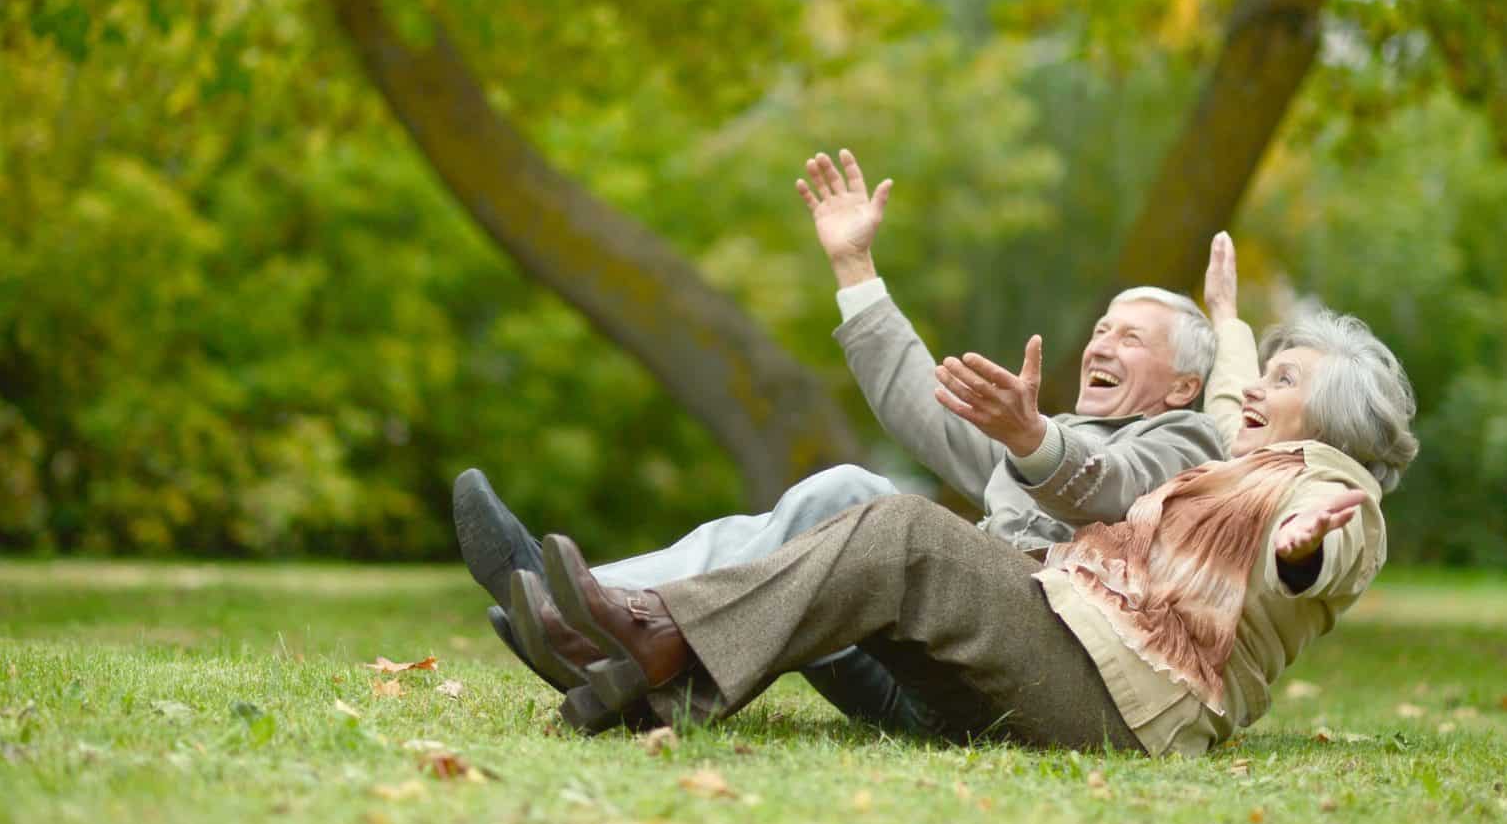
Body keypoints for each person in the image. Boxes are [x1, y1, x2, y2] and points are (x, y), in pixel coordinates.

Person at [510, 233, 1419, 756]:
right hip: (1064, 651)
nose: (1256, 386)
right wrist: (1229, 323)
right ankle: (634, 662)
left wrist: (1301, 548)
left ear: (1327, 423)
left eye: (1283, 376)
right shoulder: (1235, 450)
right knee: (854, 514)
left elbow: (1318, 550)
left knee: (904, 530)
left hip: (1123, 692)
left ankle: (648, 638)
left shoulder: (1326, 491)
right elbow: (1228, 392)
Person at [454, 148, 1225, 731]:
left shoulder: (1189, 446)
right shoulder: (1035, 448)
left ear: (1183, 383)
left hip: (993, 679)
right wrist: (854, 264)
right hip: (919, 658)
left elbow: (1117, 484)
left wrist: (1035, 437)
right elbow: (919, 408)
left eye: (1131, 338)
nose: (1100, 344)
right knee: (836, 496)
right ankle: (583, 619)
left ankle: (586, 622)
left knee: (868, 509)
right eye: (1101, 329)